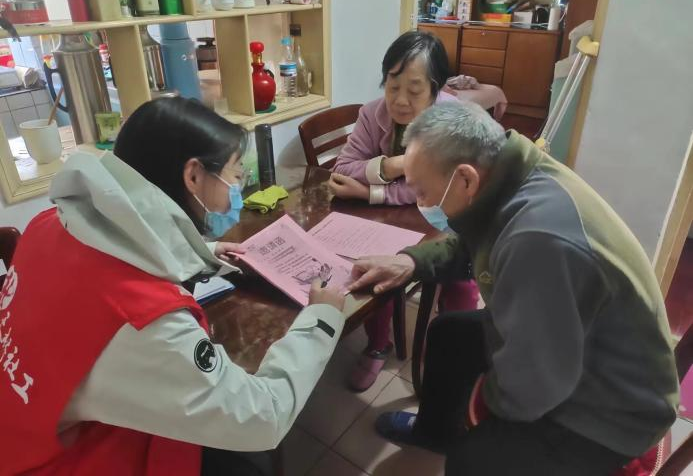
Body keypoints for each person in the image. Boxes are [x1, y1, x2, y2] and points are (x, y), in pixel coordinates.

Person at [0, 98, 346, 476]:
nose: (238, 187)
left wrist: (202, 251)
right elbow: (263, 417)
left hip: (24, 425)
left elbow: (111, 251)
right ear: (193, 176)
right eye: (235, 175)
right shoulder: (144, 321)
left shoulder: (50, 224)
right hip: (75, 459)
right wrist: (321, 318)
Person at [348, 102, 680, 475]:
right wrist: (413, 261)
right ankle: (434, 432)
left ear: (465, 179)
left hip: (613, 406)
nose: (421, 202)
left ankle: (466, 443)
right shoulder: (511, 175)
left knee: (471, 460)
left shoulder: (537, 240)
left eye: (422, 192)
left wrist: (487, 410)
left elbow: (534, 385)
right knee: (449, 335)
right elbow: (474, 239)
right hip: (575, 341)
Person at [329, 31, 479, 391]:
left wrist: (371, 192)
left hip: (448, 217)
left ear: (435, 89)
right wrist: (396, 164)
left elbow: (437, 187)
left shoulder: (453, 119)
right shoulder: (372, 113)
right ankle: (378, 344)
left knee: (461, 280)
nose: (399, 100)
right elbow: (343, 167)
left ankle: (448, 350)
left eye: (414, 90)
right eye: (392, 86)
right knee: (376, 268)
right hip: (395, 220)